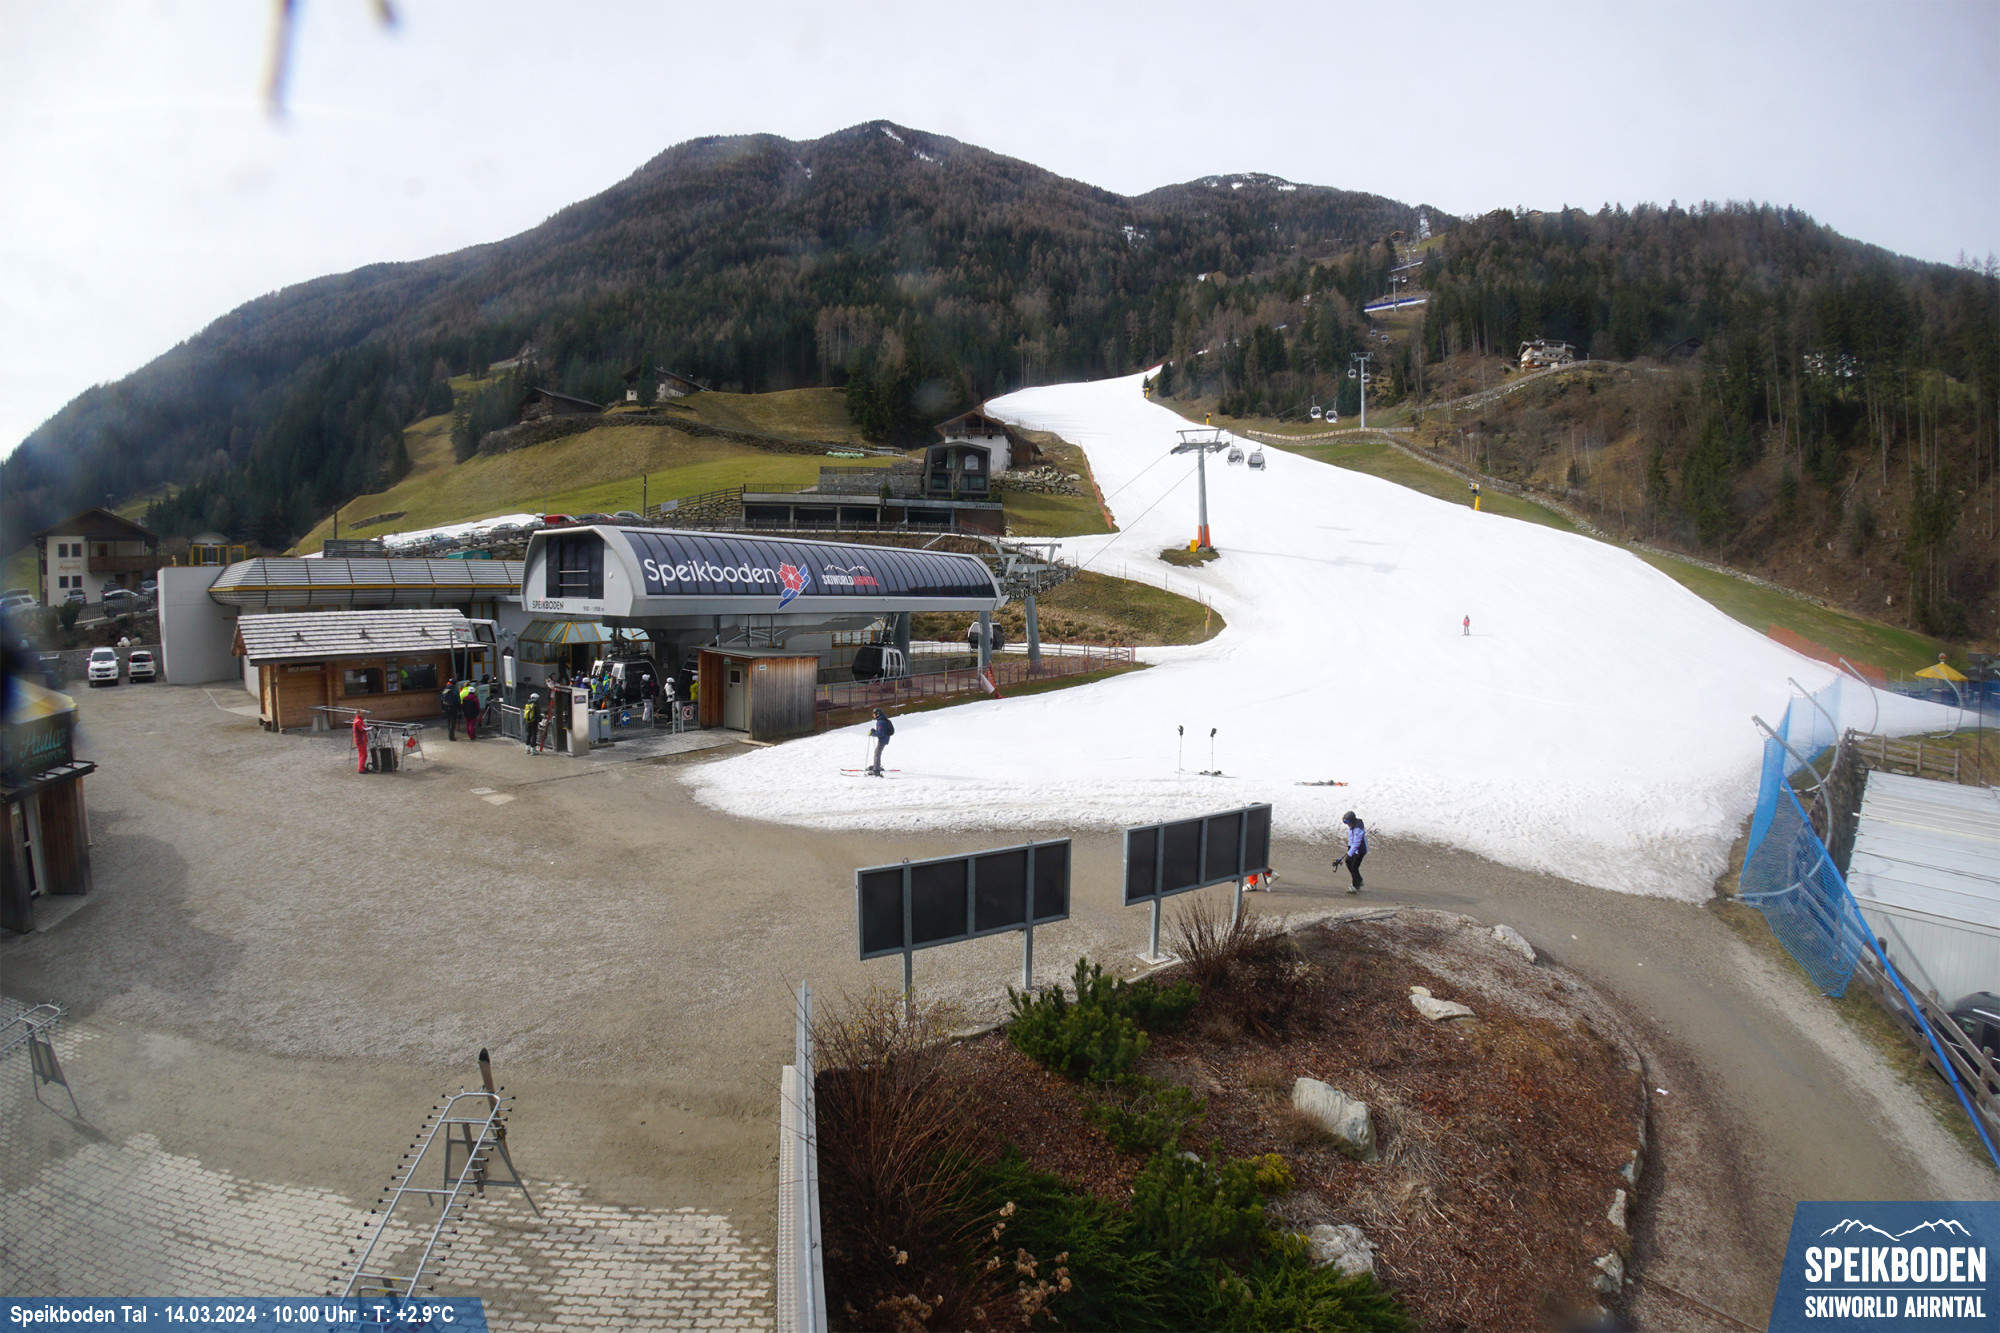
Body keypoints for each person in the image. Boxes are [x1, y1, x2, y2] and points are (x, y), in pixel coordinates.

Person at [1339, 811, 1367, 893]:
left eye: (1348, 822)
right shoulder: (1352, 826)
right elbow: (1351, 839)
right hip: (1354, 849)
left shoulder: (1358, 829)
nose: (1347, 824)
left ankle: (1356, 885)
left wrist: (1349, 854)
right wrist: (1349, 848)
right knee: (1348, 862)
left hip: (1360, 851)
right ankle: (1358, 880)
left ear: (1352, 820)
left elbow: (1356, 844)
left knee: (1354, 867)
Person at [867, 707, 894, 776]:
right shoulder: (883, 720)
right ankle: (876, 766)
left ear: (877, 714)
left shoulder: (880, 722)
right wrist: (874, 731)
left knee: (877, 753)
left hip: (883, 740)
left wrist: (872, 733)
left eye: (874, 714)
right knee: (877, 752)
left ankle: (876, 770)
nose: (873, 715)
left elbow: (880, 733)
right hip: (884, 739)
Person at [352, 710, 370, 774]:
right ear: (358, 713)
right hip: (360, 740)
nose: (363, 714)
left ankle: (362, 767)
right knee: (363, 754)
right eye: (362, 713)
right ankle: (361, 769)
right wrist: (370, 728)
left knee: (362, 754)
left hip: (360, 740)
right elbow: (363, 729)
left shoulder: (358, 720)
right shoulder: (358, 721)